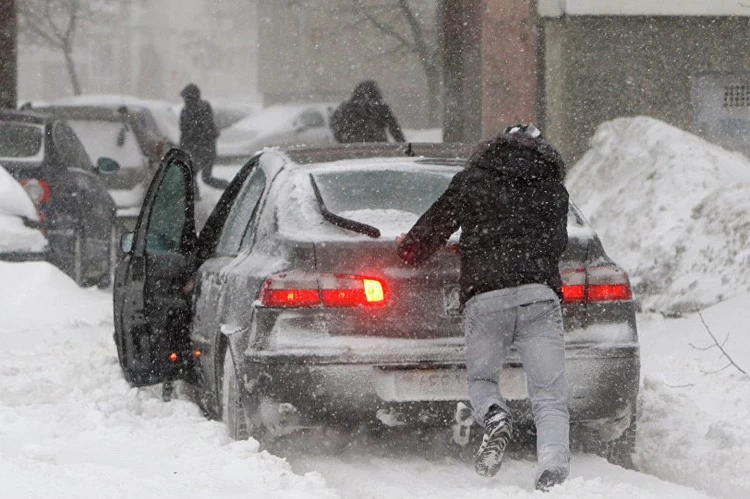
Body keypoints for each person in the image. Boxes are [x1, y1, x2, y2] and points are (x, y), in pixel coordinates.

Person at [396, 124, 570, 492]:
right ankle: (552, 468)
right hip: (539, 296)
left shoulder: (472, 181)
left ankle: (494, 415)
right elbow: (555, 245)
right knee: (548, 394)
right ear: (544, 153)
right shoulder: (553, 189)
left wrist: (414, 250)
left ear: (493, 148)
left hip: (486, 295)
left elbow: (424, 236)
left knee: (482, 379)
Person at [179, 83, 227, 195]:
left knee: (196, 176)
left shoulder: (200, 108)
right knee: (198, 176)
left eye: (186, 98)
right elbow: (185, 131)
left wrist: (188, 143)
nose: (185, 101)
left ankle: (231, 189)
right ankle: (231, 188)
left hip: (203, 149)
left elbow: (200, 129)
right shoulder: (191, 110)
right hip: (203, 149)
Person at [330, 80, 406, 143]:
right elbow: (394, 128)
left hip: (353, 146)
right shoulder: (380, 107)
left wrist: (344, 140)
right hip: (378, 146)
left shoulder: (346, 107)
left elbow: (335, 124)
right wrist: (403, 144)